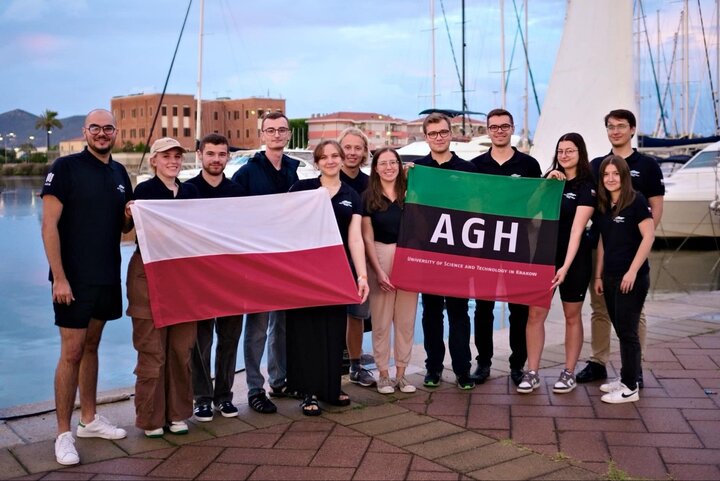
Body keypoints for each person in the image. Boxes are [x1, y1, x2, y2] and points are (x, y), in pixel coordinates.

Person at [41, 109, 131, 466]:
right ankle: (63, 433)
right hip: (73, 279)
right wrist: (59, 277)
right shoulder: (64, 169)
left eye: (108, 128)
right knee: (72, 352)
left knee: (92, 346)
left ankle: (89, 420)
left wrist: (129, 215)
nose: (102, 133)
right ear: (85, 132)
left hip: (107, 275)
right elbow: (49, 226)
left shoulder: (119, 172)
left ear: (115, 132)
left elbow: (124, 229)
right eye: (95, 128)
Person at [576, 109, 664, 386]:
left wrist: (636, 248)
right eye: (611, 127)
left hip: (631, 252)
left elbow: (655, 211)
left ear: (633, 129)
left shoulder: (647, 165)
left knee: (634, 312)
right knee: (599, 306)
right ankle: (598, 361)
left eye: (621, 126)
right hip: (602, 248)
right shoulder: (597, 164)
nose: (615, 131)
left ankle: (633, 370)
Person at [286, 140, 370, 415]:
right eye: (325, 157)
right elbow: (285, 227)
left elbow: (355, 239)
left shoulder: (351, 195)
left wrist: (361, 275)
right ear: (317, 162)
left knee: (333, 331)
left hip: (338, 273)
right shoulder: (302, 190)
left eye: (336, 156)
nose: (332, 161)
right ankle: (307, 391)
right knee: (306, 332)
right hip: (306, 274)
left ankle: (331, 388)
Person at [125, 137, 200, 437]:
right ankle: (151, 418)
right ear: (154, 160)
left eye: (177, 156)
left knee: (181, 350)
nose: (173, 161)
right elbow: (127, 228)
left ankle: (178, 413)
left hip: (184, 280)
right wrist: (128, 213)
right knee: (152, 350)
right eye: (166, 156)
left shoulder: (191, 192)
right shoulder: (144, 192)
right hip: (148, 276)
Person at [231, 111, 299, 413]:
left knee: (282, 324)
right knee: (257, 325)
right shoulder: (246, 173)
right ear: (262, 135)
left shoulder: (296, 171)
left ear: (287, 135)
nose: (276, 135)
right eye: (270, 130)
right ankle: (255, 388)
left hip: (286, 258)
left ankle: (280, 379)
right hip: (257, 260)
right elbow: (231, 215)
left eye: (281, 130)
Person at [517, 133, 596, 394]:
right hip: (543, 257)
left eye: (569, 151)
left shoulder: (587, 185)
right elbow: (528, 211)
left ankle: (569, 371)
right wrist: (545, 185)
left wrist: (565, 266)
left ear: (579, 153)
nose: (564, 155)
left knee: (571, 316)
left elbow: (577, 230)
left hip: (574, 259)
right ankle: (532, 371)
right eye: (560, 151)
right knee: (535, 314)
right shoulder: (550, 179)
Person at [470, 108, 541, 387]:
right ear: (488, 130)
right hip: (485, 243)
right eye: (494, 127)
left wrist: (555, 180)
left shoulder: (529, 165)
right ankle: (483, 363)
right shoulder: (475, 166)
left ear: (512, 129)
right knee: (483, 307)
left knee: (519, 308)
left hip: (518, 243)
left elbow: (539, 203)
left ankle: (517, 364)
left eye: (504, 126)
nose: (499, 131)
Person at [415, 112, 478, 390]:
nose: (438, 138)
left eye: (442, 132)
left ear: (450, 134)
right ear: (425, 137)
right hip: (428, 253)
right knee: (430, 313)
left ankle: (463, 370)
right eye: (433, 134)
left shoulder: (468, 170)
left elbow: (481, 208)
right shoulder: (417, 171)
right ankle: (433, 368)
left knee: (459, 313)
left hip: (459, 253)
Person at [186, 134, 245, 422]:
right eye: (210, 154)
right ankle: (202, 398)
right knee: (201, 341)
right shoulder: (187, 191)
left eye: (221, 154)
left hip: (232, 278)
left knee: (229, 339)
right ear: (200, 155)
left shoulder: (237, 192)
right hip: (199, 279)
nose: (216, 159)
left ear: (228, 157)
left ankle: (224, 396)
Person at [593, 155, 654, 403]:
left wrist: (632, 271)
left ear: (624, 176)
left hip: (632, 277)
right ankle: (625, 377)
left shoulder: (636, 201)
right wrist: (598, 274)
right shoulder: (604, 205)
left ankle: (630, 388)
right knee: (621, 331)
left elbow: (648, 237)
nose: (610, 178)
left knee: (628, 333)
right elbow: (604, 244)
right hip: (609, 276)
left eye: (615, 174)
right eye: (606, 174)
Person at [361, 147, 418, 394]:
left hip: (409, 259)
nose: (388, 167)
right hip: (380, 256)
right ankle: (383, 373)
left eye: (393, 162)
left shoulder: (412, 192)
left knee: (405, 321)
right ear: (375, 168)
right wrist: (378, 270)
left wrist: (417, 174)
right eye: (383, 163)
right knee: (382, 322)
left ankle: (402, 374)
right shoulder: (367, 197)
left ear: (399, 164)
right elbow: (366, 237)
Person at [338, 127, 376, 388]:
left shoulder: (369, 185)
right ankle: (328, 365)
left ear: (364, 152)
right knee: (331, 316)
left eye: (357, 148)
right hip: (332, 258)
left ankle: (354, 365)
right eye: (347, 147)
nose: (352, 153)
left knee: (357, 314)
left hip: (360, 259)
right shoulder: (325, 180)